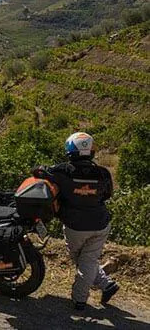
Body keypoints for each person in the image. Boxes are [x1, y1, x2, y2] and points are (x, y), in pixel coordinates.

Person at [34, 132, 119, 311]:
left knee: (83, 260)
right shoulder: (103, 173)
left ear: (70, 150)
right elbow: (107, 195)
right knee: (88, 259)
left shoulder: (62, 171)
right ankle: (106, 285)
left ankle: (79, 299)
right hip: (101, 223)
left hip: (76, 226)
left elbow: (40, 172)